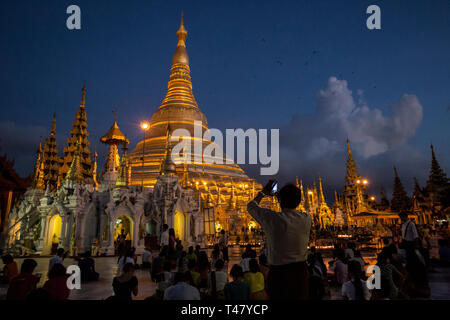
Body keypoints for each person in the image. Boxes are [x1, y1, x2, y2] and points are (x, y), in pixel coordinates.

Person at [247, 180, 312, 299]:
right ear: (298, 201)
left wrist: (263, 193)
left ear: (280, 201)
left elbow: (251, 206)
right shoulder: (307, 219)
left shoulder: (273, 219)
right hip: (300, 273)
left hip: (279, 274)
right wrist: (280, 197)